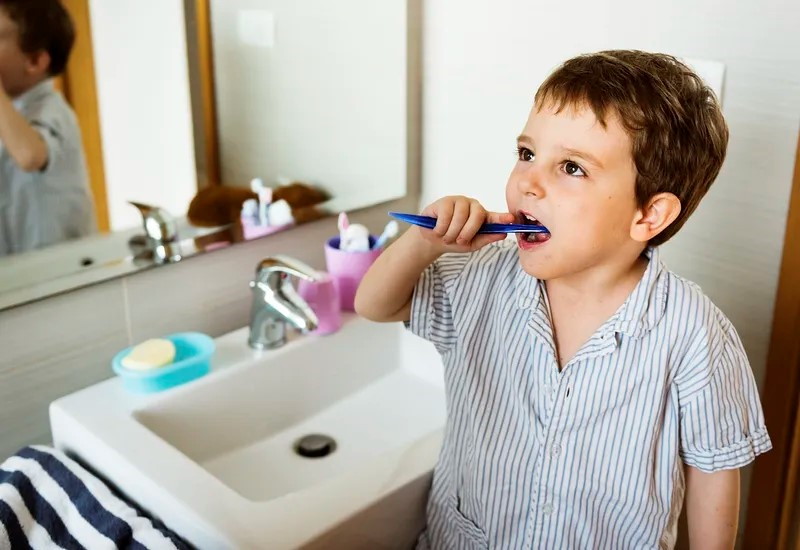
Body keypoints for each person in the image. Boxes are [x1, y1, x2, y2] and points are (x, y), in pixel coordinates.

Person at [355, 50, 771, 549]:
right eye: (527, 154)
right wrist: (426, 241)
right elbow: (373, 304)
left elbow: (714, 474)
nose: (527, 182)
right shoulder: (481, 280)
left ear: (649, 216)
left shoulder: (696, 335)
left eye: (571, 167)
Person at [0, 0, 95, 256]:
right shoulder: (8, 114)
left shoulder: (53, 110)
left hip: (62, 270)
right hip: (20, 272)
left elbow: (30, 156)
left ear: (34, 61)